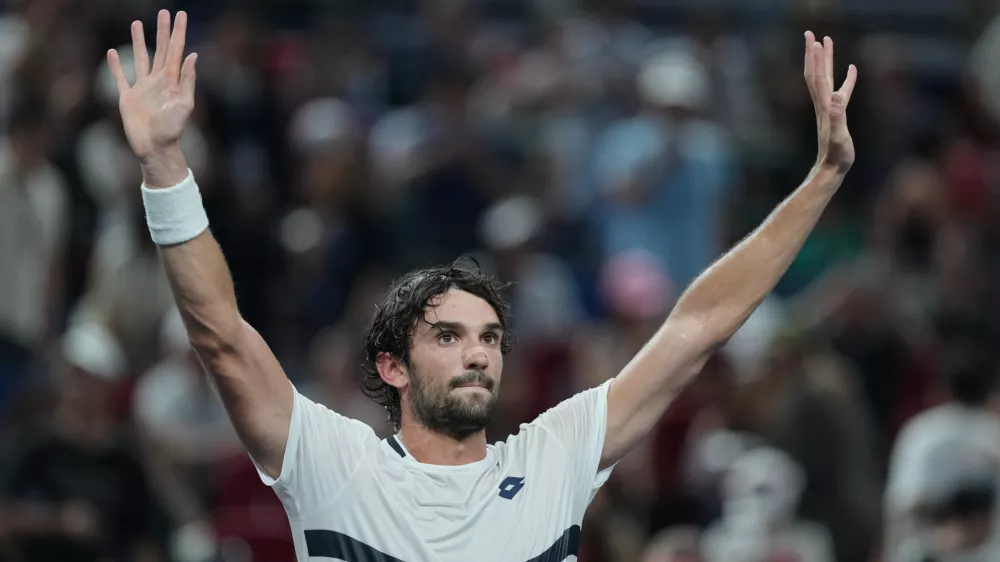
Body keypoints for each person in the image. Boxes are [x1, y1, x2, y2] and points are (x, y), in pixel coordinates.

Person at [105, 10, 857, 561]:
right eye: (448, 335)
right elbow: (220, 335)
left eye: (490, 337)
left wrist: (821, 181)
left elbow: (696, 327)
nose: (478, 353)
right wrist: (165, 166)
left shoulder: (551, 459)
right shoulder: (335, 464)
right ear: (392, 366)